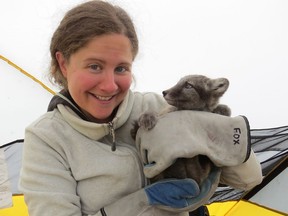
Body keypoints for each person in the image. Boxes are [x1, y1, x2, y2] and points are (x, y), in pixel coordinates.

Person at [19, 1, 262, 216]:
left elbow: (249, 179)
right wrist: (144, 202)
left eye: (121, 68)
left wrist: (215, 131)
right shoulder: (46, 140)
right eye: (94, 66)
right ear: (63, 63)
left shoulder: (157, 108)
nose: (109, 85)